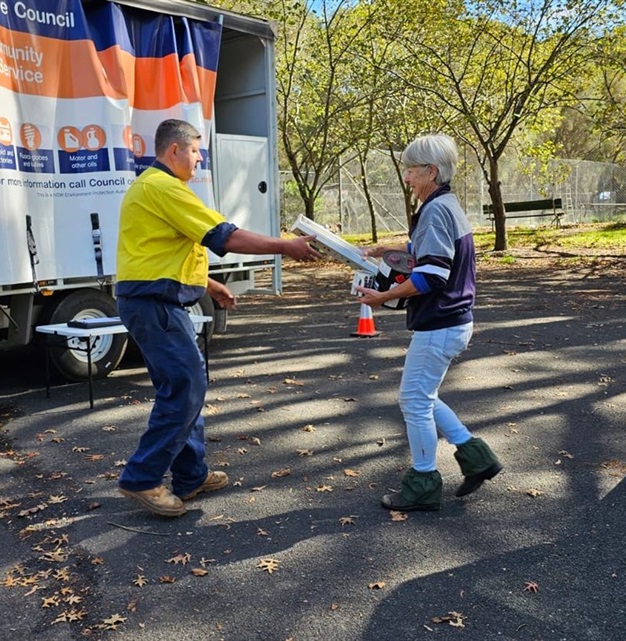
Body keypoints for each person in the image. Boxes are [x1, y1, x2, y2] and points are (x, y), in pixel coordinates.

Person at [115, 119, 321, 517]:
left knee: (184, 388)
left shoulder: (157, 188)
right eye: (195, 151)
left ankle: (191, 476)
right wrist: (286, 246)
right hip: (154, 304)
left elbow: (163, 252)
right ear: (174, 150)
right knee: (186, 387)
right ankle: (142, 478)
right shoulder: (163, 187)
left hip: (158, 302)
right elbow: (225, 236)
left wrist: (209, 285)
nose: (199, 159)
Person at [355, 133, 501, 512]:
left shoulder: (435, 209)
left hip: (441, 322)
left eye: (411, 171)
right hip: (451, 320)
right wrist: (386, 249)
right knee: (425, 396)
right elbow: (427, 250)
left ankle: (422, 483)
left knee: (413, 400)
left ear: (431, 171)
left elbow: (431, 275)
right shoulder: (445, 204)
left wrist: (382, 297)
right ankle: (477, 458)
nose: (407, 178)